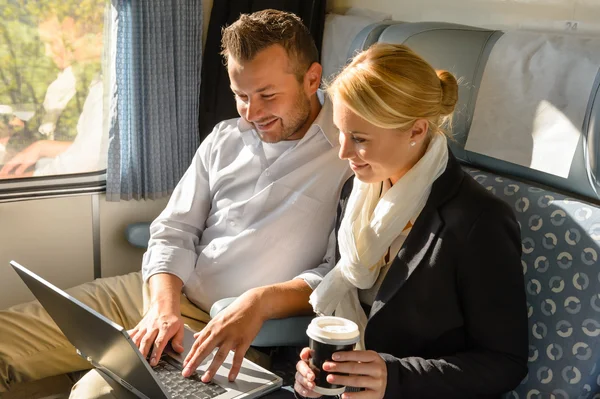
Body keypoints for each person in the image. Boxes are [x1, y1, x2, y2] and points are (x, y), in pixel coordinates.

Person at [0, 9, 351, 398]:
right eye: (241, 96)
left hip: (228, 328)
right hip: (160, 291)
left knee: (92, 395)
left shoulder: (350, 152)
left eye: (267, 96)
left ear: (312, 79)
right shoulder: (225, 138)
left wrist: (260, 301)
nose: (252, 114)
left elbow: (342, 275)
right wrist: (161, 306)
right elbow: (174, 230)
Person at [292, 43, 529, 399]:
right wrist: (314, 374)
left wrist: (395, 378)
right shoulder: (355, 194)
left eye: (358, 138)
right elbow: (343, 296)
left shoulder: (479, 222)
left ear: (416, 131)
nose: (342, 152)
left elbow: (505, 363)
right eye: (341, 132)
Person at [0, 15, 104, 179]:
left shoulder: (90, 89)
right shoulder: (62, 87)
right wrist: (13, 132)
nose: (47, 52)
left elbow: (86, 155)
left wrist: (32, 169)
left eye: (52, 43)